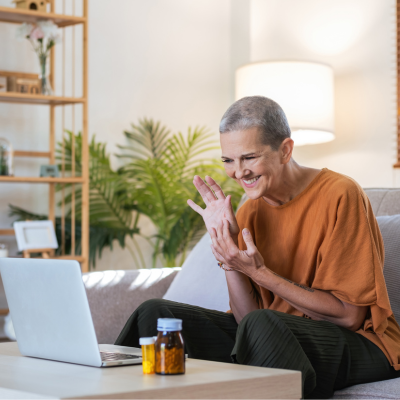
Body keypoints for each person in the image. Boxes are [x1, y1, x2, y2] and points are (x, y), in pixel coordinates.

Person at [115, 96, 400, 399]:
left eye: (249, 158)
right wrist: (226, 251)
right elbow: (245, 318)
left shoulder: (341, 194)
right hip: (272, 338)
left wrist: (262, 274)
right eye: (228, 160)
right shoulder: (248, 211)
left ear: (285, 150)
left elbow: (349, 316)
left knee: (264, 323)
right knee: (156, 314)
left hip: (360, 341)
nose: (238, 172)